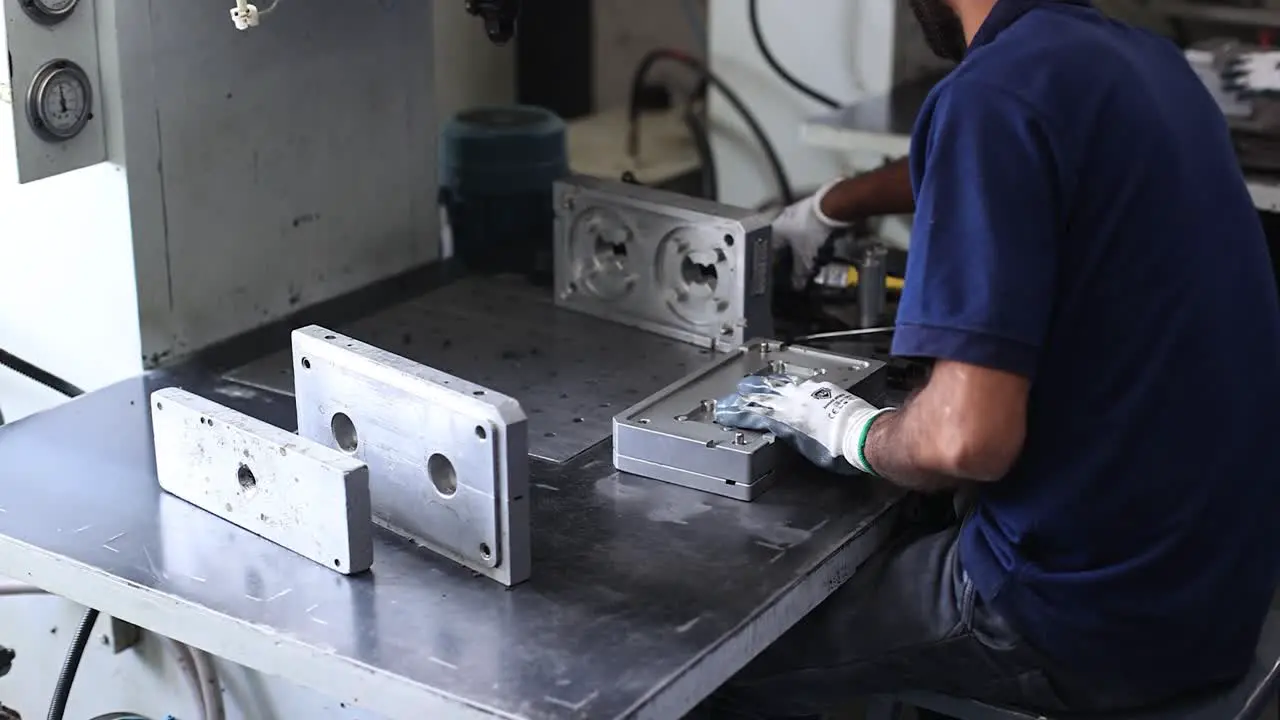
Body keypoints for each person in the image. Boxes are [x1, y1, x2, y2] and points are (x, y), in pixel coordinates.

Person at [702, 0, 1280, 716]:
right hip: (1216, 592)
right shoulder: (1146, 64)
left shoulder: (990, 94)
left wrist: (850, 428)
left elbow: (964, 439)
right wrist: (831, 204)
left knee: (717, 652)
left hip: (1080, 616)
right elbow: (1002, 150)